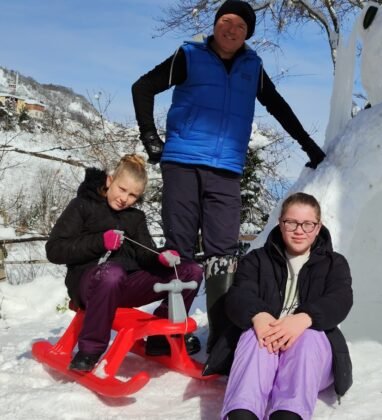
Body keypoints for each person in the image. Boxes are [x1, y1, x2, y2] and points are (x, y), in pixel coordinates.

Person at [131, 0, 327, 353]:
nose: (231, 28)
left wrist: (309, 146)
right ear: (215, 24)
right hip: (183, 163)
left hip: (226, 169)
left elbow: (278, 107)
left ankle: (222, 341)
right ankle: (165, 332)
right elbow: (142, 87)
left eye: (240, 24)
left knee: (224, 255)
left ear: (247, 33)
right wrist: (151, 138)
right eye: (225, 20)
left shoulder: (252, 66)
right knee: (180, 252)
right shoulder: (189, 55)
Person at [46, 154, 204, 372]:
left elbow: (144, 255)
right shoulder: (82, 206)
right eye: (122, 189)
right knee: (112, 273)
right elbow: (54, 250)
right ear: (110, 181)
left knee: (190, 271)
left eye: (133, 195)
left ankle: (161, 340)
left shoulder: (135, 217)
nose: (125, 198)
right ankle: (90, 351)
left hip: (125, 285)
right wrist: (99, 242)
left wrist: (161, 257)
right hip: (88, 283)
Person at [203, 192, 353, 420]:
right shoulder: (256, 260)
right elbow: (239, 294)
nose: (299, 230)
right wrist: (259, 315)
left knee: (309, 338)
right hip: (264, 351)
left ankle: (288, 414)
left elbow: (341, 298)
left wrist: (304, 318)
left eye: (307, 224)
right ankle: (242, 413)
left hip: (311, 361)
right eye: (291, 222)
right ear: (280, 223)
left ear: (318, 226)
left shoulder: (335, 263)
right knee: (253, 336)